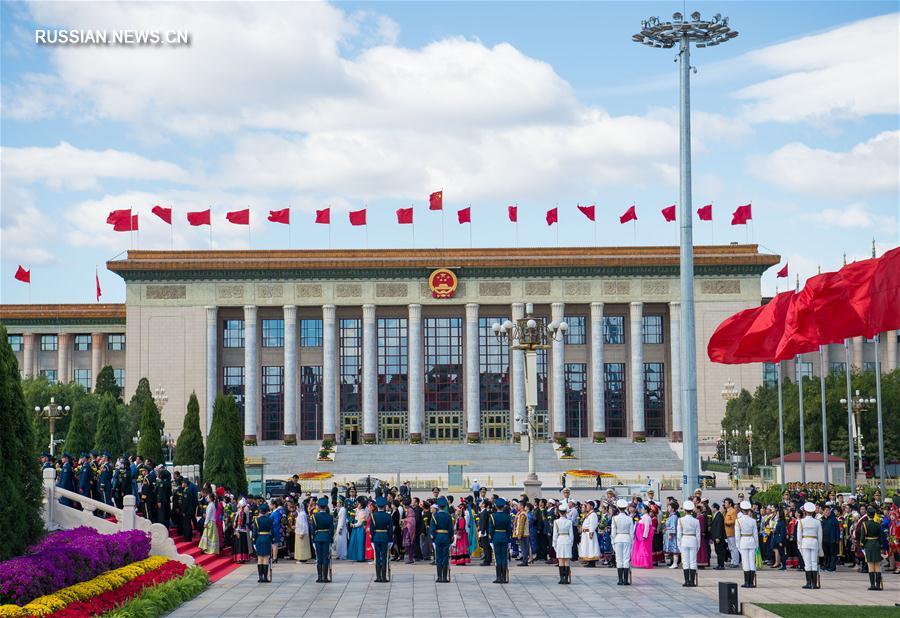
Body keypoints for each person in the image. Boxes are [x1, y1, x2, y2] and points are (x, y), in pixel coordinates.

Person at [798, 502, 822, 589]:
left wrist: (799, 546)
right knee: (814, 563)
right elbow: (820, 536)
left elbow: (799, 536)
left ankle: (808, 583)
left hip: (805, 542)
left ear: (805, 511)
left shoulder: (801, 521)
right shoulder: (817, 522)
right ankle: (814, 584)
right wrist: (820, 547)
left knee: (807, 563)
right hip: (814, 542)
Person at [860, 506, 885, 590]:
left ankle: (872, 585)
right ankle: (878, 585)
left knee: (870, 565)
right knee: (877, 565)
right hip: (877, 545)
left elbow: (862, 537)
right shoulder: (878, 524)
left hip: (869, 545)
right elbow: (881, 537)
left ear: (867, 514)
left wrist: (862, 545)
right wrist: (881, 545)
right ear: (874, 515)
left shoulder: (864, 524)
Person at [311, 497, 335, 583]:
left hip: (317, 538)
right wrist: (331, 539)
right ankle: (325, 577)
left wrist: (313, 539)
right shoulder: (330, 517)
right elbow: (332, 530)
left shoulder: (314, 516)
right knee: (326, 557)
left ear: (318, 506)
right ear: (326, 507)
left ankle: (319, 577)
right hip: (326, 538)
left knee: (319, 558)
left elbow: (313, 530)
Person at [488, 497, 511, 584]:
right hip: (505, 537)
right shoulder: (507, 516)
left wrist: (491, 540)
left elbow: (491, 530)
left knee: (497, 558)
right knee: (504, 558)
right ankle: (504, 577)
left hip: (496, 538)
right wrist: (509, 540)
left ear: (496, 506)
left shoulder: (492, 516)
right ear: (504, 506)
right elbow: (509, 530)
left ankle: (498, 577)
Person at [370, 496, 393, 582]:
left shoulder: (373, 515)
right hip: (385, 537)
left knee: (377, 557)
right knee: (384, 557)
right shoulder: (388, 516)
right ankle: (383, 577)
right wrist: (390, 540)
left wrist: (372, 539)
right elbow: (390, 530)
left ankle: (378, 577)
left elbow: (372, 529)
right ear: (384, 506)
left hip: (376, 537)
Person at [430, 496, 453, 583]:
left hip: (438, 538)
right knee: (445, 557)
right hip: (446, 537)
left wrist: (434, 538)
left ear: (438, 506)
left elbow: (432, 530)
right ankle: (444, 577)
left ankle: (439, 577)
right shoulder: (448, 516)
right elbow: (450, 529)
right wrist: (450, 538)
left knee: (438, 557)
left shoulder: (435, 516)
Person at [678, 501, 700, 588]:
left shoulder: (680, 520)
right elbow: (698, 535)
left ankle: (686, 580)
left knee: (685, 561)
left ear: (684, 510)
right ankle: (692, 581)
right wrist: (698, 545)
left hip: (684, 540)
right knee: (693, 561)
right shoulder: (696, 521)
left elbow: (679, 535)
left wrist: (679, 545)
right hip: (693, 540)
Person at [612, 498, 634, 585]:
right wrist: (631, 542)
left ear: (618, 508)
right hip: (627, 538)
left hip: (618, 538)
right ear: (625, 508)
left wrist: (613, 542)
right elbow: (632, 533)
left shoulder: (614, 518)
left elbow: (613, 533)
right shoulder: (629, 518)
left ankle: (620, 580)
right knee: (626, 559)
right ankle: (625, 580)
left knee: (619, 559)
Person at [737, 500, 758, 588]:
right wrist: (757, 545)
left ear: (741, 510)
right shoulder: (753, 521)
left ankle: (747, 582)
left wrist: (738, 545)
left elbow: (737, 535)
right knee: (752, 562)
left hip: (743, 541)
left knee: (745, 562)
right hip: (752, 541)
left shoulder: (738, 521)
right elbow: (755, 535)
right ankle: (751, 582)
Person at [552, 501, 574, 584]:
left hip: (560, 540)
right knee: (567, 560)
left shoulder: (556, 522)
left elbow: (555, 535)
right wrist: (571, 543)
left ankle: (562, 578)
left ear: (558, 512)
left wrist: (554, 544)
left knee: (560, 560)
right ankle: (566, 578)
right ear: (566, 512)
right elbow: (571, 535)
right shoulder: (569, 522)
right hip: (567, 539)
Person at [252, 502, 274, 583]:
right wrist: (271, 539)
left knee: (259, 558)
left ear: (260, 511)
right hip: (267, 539)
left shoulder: (256, 520)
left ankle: (260, 577)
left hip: (259, 539)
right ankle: (265, 577)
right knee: (266, 558)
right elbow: (273, 532)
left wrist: (254, 541)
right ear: (267, 511)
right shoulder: (270, 520)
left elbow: (254, 533)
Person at [632, 502, 655, 568]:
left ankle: (646, 563)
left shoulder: (647, 518)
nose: (641, 510)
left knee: (645, 549)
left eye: (642, 509)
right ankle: (642, 562)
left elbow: (647, 528)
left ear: (645, 510)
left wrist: (645, 536)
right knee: (641, 549)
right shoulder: (642, 517)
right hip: (639, 537)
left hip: (644, 537)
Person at [579, 500, 601, 567]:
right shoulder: (589, 514)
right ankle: (589, 561)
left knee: (591, 547)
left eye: (588, 505)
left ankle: (592, 562)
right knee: (587, 547)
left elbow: (593, 524)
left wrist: (591, 532)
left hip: (589, 533)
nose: (586, 507)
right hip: (586, 533)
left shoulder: (593, 514)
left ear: (591, 506)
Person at [664, 501, 680, 568]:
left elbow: (673, 526)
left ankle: (675, 563)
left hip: (672, 535)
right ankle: (673, 562)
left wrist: (671, 534)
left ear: (673, 509)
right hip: (669, 533)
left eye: (669, 507)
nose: (668, 508)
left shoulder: (673, 516)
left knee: (674, 549)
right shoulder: (671, 516)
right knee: (672, 550)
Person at [295, 498, 311, 563]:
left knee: (301, 547)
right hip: (300, 531)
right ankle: (303, 559)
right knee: (302, 546)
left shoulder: (301, 515)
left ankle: (302, 559)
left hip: (301, 533)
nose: (296, 509)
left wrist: (302, 533)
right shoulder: (302, 514)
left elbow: (303, 525)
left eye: (297, 508)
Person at [724, 498, 739, 568]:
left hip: (731, 531)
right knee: (730, 548)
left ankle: (736, 562)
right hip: (727, 532)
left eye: (726, 503)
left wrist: (726, 522)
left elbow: (734, 521)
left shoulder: (733, 511)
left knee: (734, 547)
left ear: (730, 504)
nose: (725, 504)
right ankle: (733, 561)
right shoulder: (727, 511)